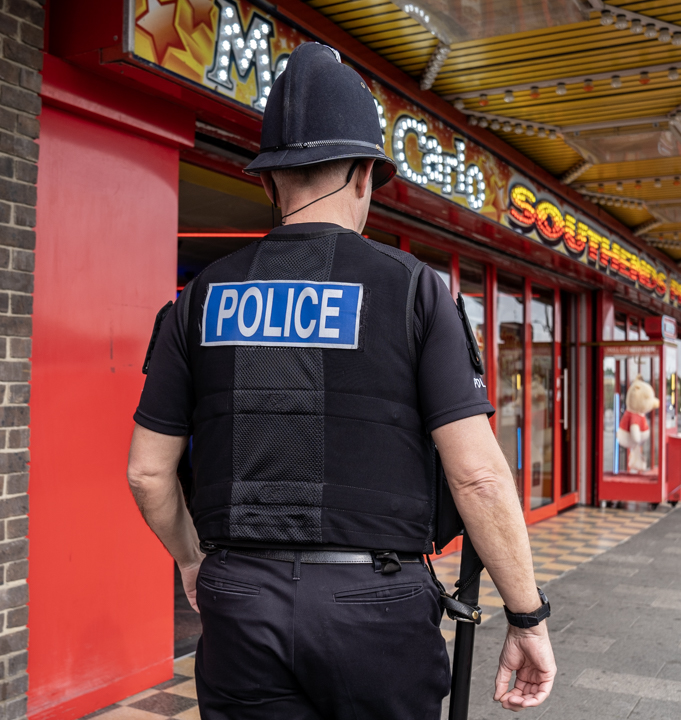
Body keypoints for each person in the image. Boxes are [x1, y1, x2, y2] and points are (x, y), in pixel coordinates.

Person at [126, 43, 555, 720]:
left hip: (240, 600)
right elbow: (477, 477)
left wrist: (192, 560)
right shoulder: (416, 293)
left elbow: (148, 474)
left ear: (270, 183)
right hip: (375, 606)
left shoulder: (198, 299)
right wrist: (527, 616)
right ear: (364, 174)